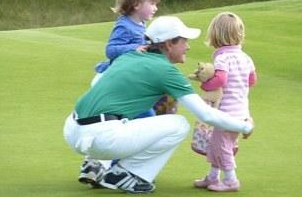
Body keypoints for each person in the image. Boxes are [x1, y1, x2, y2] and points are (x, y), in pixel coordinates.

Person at [63, 16, 254, 194]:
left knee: (128, 117)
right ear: (169, 44)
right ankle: (129, 174)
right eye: (184, 41)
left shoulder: (128, 56)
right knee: (179, 124)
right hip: (102, 138)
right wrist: (244, 125)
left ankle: (98, 163)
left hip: (72, 130)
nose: (187, 47)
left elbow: (96, 83)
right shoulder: (166, 71)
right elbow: (206, 115)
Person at [78, 0, 161, 185]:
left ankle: (102, 166)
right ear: (136, 4)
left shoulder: (142, 25)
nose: (156, 8)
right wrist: (132, 49)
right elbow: (111, 49)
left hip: (131, 84)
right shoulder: (124, 25)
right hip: (118, 85)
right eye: (152, 3)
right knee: (140, 123)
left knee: (137, 124)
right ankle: (109, 167)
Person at [193, 12, 257, 192]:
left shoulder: (222, 58)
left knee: (222, 146)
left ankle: (231, 180)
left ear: (215, 35)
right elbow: (252, 80)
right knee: (216, 144)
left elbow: (220, 80)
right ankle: (213, 176)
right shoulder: (246, 57)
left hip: (225, 113)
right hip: (241, 112)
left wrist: (206, 84)